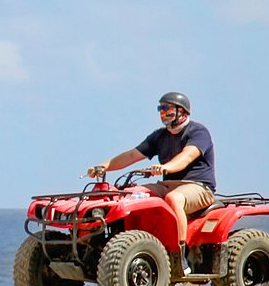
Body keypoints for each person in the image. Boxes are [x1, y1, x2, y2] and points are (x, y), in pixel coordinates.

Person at [87, 91, 216, 275]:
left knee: (174, 199)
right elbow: (132, 155)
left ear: (182, 111)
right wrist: (103, 166)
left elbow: (186, 157)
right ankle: (130, 245)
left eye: (166, 108)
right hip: (166, 185)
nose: (162, 113)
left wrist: (166, 168)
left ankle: (179, 256)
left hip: (197, 186)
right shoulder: (160, 136)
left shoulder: (198, 132)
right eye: (160, 109)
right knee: (130, 195)